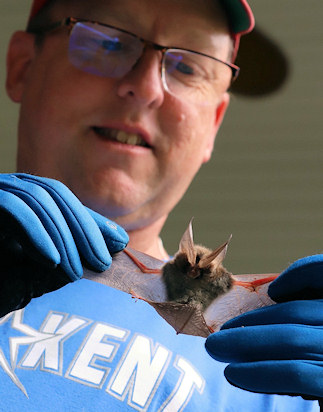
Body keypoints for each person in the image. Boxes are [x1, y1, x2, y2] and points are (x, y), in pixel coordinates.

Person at [0, 0, 321, 410]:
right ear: (22, 66)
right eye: (108, 41)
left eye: (188, 67)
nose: (147, 88)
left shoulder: (277, 373)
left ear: (214, 125)